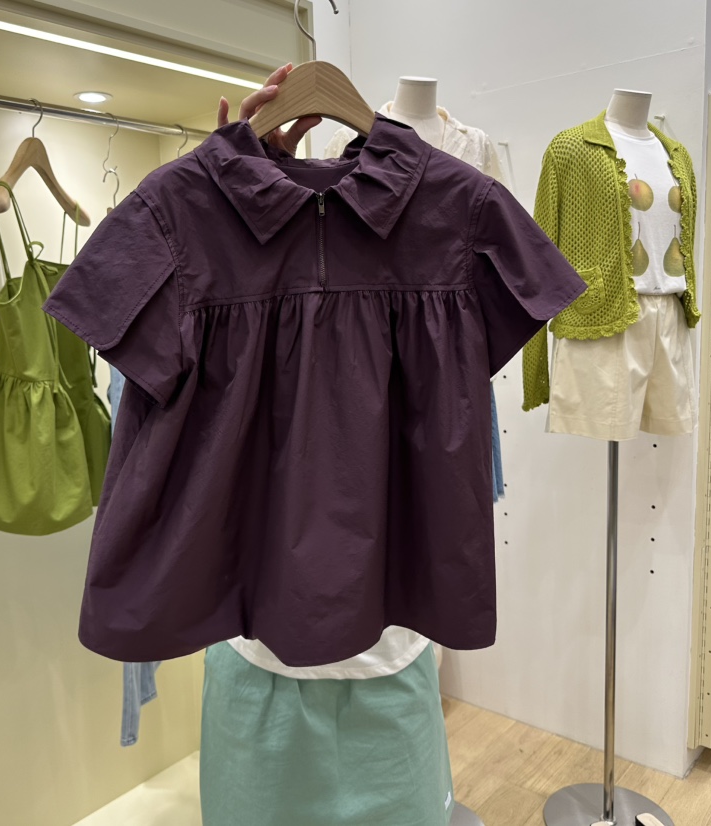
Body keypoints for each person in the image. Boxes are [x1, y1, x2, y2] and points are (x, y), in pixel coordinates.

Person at [199, 65, 455, 826]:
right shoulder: (200, 217)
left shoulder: (444, 207)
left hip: (389, 652)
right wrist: (218, 194)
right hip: (258, 650)